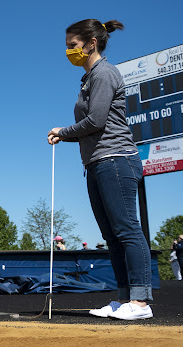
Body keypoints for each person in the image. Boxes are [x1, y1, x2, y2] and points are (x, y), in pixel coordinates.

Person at [48, 19, 153, 321]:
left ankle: (141, 301)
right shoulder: (88, 78)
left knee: (127, 229)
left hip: (116, 159)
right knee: (111, 234)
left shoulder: (104, 73)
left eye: (72, 45)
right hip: (96, 163)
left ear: (91, 43)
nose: (68, 51)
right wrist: (67, 136)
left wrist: (62, 131)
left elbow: (96, 120)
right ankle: (124, 299)